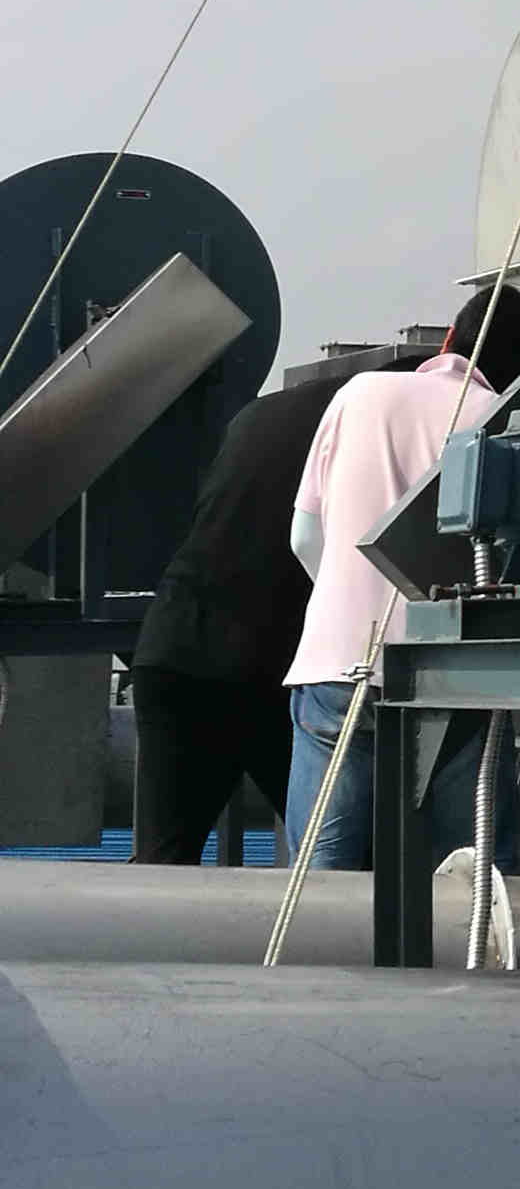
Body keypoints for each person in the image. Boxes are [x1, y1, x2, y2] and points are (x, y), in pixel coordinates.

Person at [283, 287, 520, 870]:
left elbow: (304, 538)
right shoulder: (508, 424)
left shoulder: (359, 394)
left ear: (450, 339)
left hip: (338, 666)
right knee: (471, 876)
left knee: (321, 879)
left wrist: (348, 604)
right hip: (454, 677)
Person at [128, 355, 413, 864]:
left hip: (177, 647)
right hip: (270, 668)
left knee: (162, 867)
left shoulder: (263, 412)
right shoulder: (377, 426)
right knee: (341, 865)